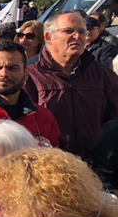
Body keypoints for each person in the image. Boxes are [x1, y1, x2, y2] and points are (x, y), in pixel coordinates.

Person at [25, 11, 118, 158]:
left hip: (94, 168)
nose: (77, 37)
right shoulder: (29, 76)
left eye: (82, 31)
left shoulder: (102, 75)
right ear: (49, 37)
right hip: (48, 168)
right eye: (68, 31)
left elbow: (113, 121)